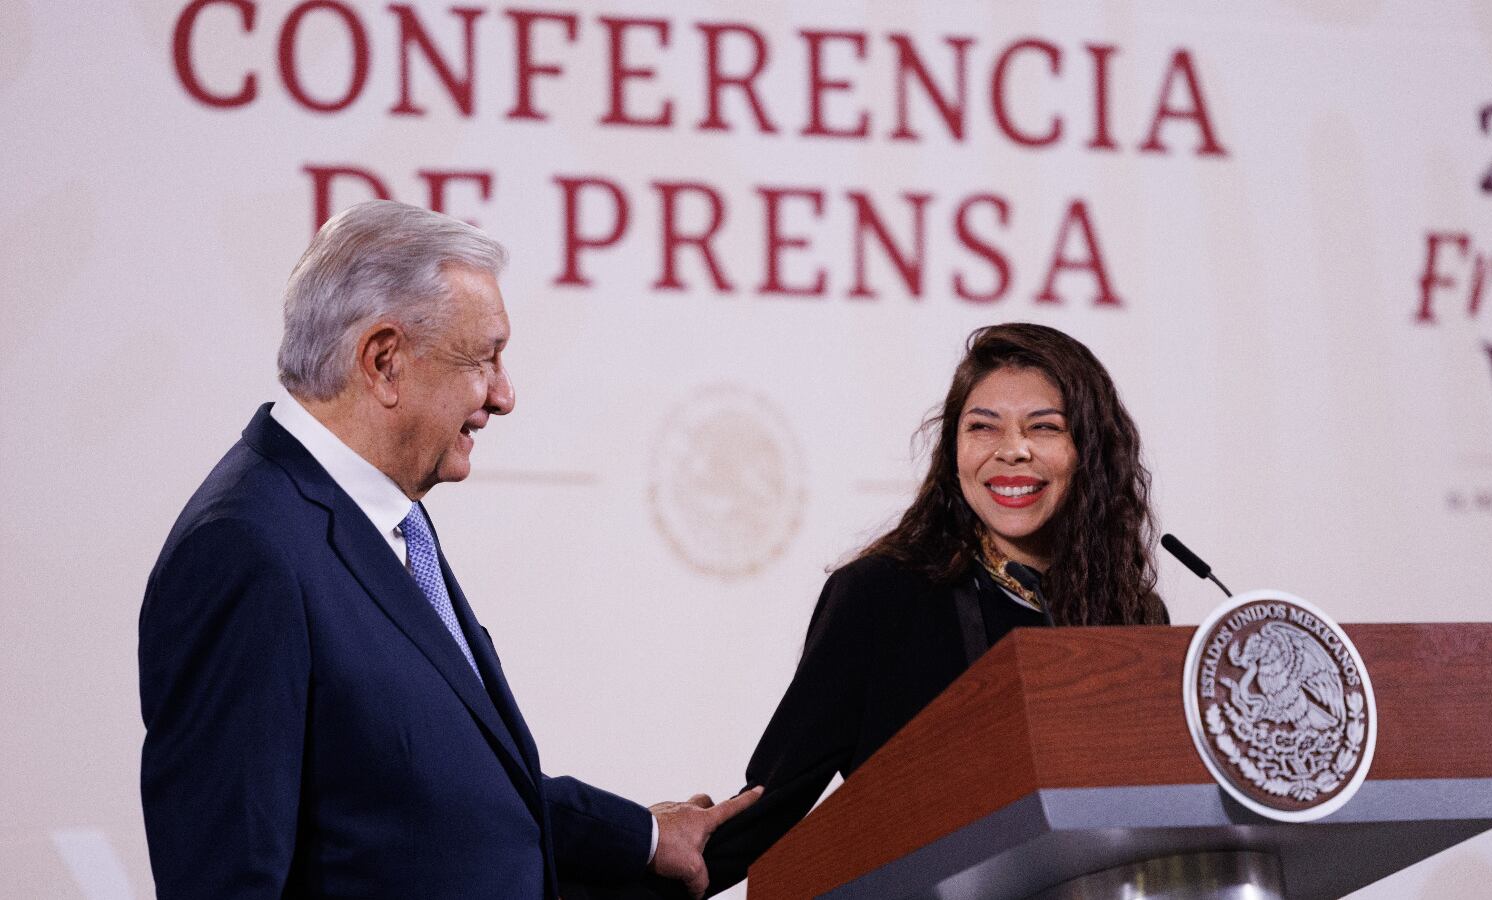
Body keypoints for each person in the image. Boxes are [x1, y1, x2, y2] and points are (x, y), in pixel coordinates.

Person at [138, 200, 756, 899]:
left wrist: (639, 837)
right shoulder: (245, 551)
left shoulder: (386, 517)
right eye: (484, 358)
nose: (505, 395)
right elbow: (224, 882)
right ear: (384, 360)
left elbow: (423, 792)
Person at [697, 322, 1169, 894]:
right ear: (953, 453)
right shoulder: (882, 594)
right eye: (982, 428)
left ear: (1090, 452)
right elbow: (774, 798)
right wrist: (636, 862)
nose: (1012, 450)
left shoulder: (1134, 615)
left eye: (1044, 428)